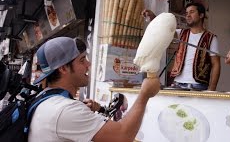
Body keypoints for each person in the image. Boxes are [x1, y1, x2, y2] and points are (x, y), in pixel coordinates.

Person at [28, 37, 160, 142]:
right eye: (81, 60)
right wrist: (145, 95)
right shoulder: (65, 110)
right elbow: (122, 136)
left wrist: (93, 113)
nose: (88, 64)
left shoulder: (46, 99)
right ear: (63, 68)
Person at [143, 2, 221, 91]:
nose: (188, 15)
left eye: (192, 12)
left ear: (201, 15)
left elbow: (216, 64)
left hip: (198, 86)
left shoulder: (211, 38)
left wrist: (212, 88)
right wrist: (153, 16)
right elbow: (162, 28)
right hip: (177, 83)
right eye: (187, 13)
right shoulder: (181, 33)